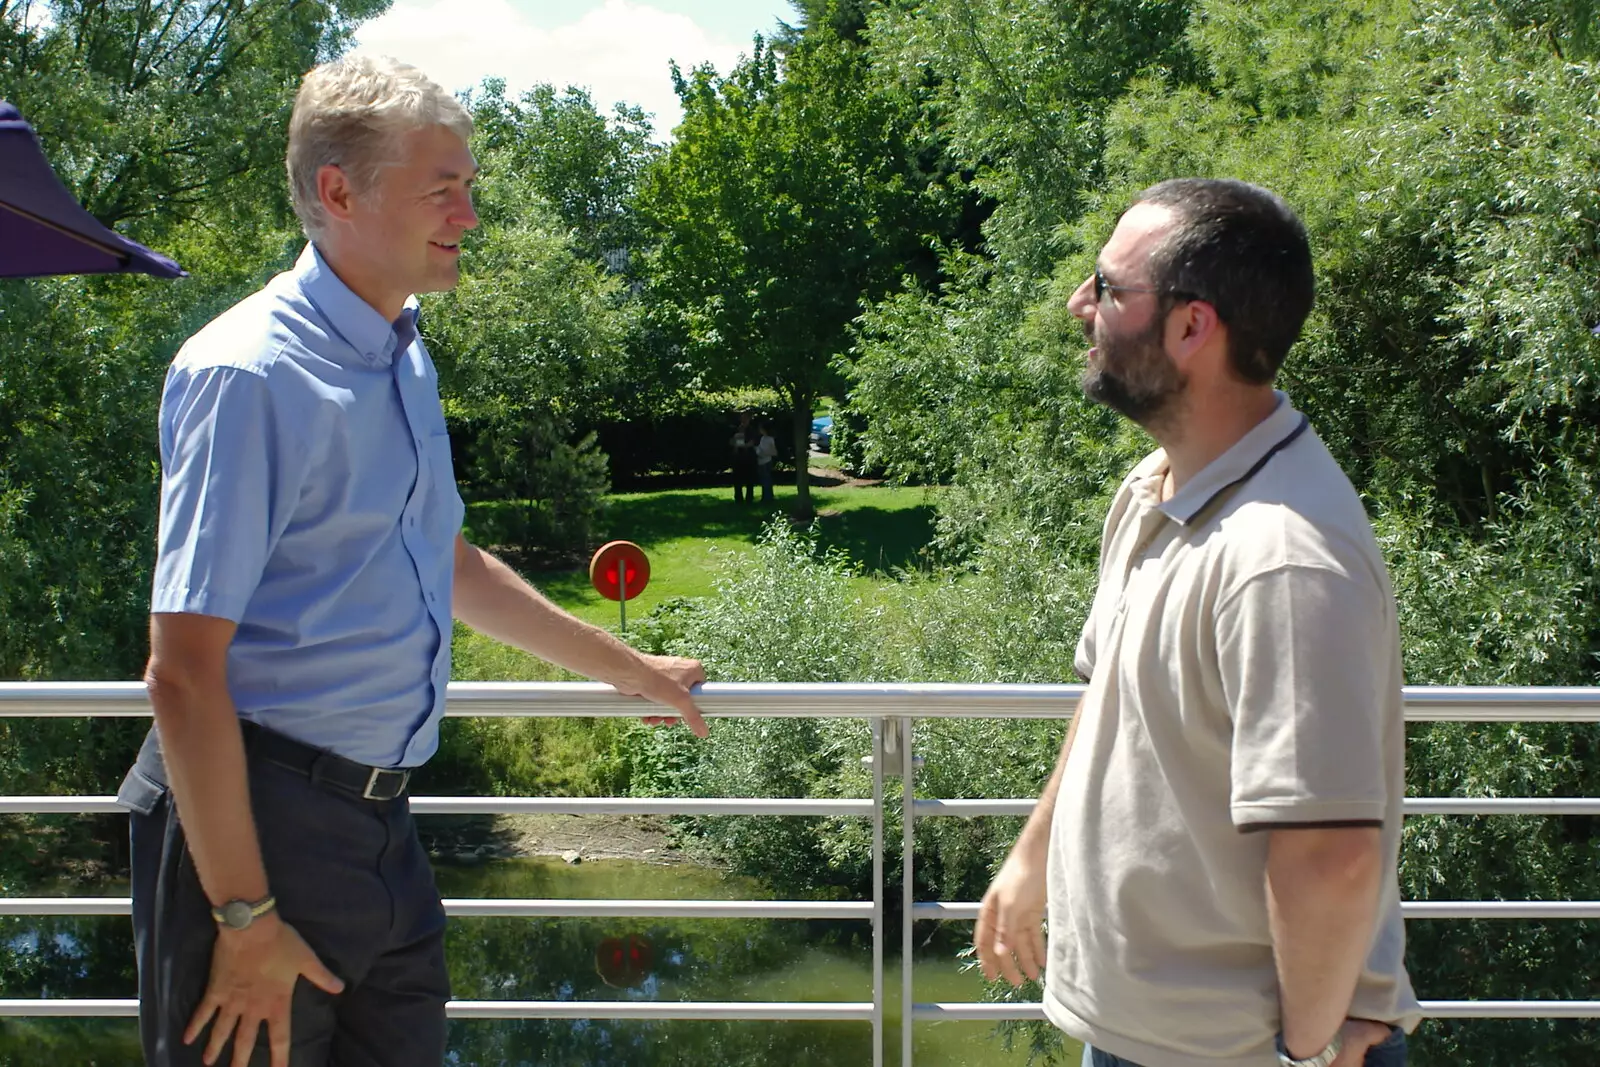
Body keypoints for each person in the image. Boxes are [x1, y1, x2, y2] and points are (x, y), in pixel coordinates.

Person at [118, 55, 709, 1067]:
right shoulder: (248, 373)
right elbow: (180, 670)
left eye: (469, 187)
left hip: (380, 830)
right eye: (444, 188)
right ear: (339, 191)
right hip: (256, 829)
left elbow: (444, 559)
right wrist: (246, 916)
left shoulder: (401, 350)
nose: (469, 214)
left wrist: (630, 669)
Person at [974, 179, 1422, 1067]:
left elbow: (1330, 854)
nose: (1080, 306)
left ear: (1191, 328)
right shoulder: (1155, 489)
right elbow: (1114, 699)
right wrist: (1034, 855)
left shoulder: (1282, 557)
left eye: (1107, 288)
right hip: (1146, 1036)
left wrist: (1302, 1050)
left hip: (1235, 1054)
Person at [730, 411, 758, 503]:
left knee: (750, 479)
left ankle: (749, 499)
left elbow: (752, 442)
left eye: (746, 418)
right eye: (742, 418)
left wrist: (742, 445)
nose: (744, 420)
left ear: (749, 419)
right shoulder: (736, 429)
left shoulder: (752, 430)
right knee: (737, 479)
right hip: (738, 458)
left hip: (749, 457)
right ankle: (738, 499)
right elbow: (731, 441)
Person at [755, 422, 778, 503]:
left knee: (765, 480)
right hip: (766, 460)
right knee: (767, 479)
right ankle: (768, 497)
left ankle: (767, 498)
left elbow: (766, 451)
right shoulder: (766, 438)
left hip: (764, 461)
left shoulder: (766, 439)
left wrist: (757, 451)